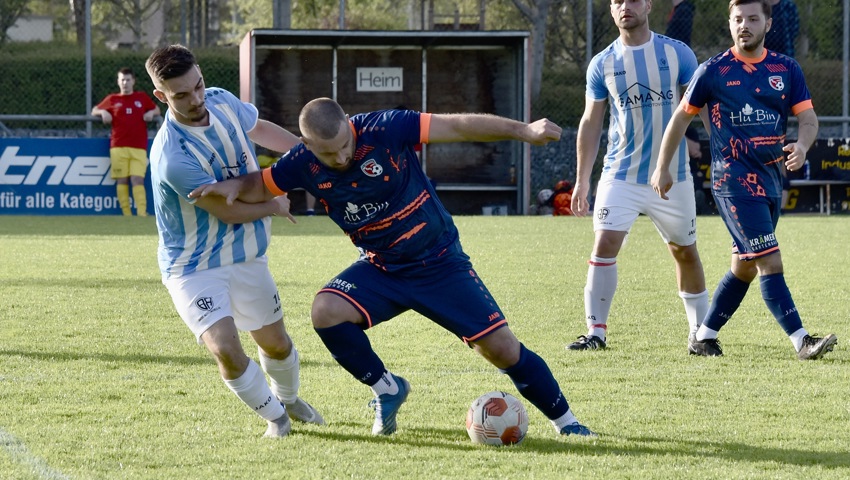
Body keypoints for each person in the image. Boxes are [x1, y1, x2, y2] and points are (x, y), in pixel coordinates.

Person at [190, 98, 596, 439]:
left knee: (502, 349)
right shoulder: (301, 164)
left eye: (345, 146)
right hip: (382, 268)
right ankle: (387, 388)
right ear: (307, 146)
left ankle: (569, 424)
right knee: (325, 311)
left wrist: (522, 130)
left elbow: (458, 126)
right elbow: (261, 183)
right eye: (328, 153)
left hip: (440, 264)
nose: (341, 157)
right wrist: (233, 187)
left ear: (351, 126)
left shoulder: (386, 128)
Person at [144, 44, 324, 437]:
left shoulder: (223, 101)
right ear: (161, 96)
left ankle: (290, 400)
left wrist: (305, 153)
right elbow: (228, 210)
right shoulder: (172, 156)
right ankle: (275, 418)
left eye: (198, 86)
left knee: (276, 344)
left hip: (246, 254)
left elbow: (259, 130)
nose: (195, 99)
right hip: (193, 267)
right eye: (181, 95)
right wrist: (274, 206)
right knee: (225, 348)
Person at [651, 0, 837, 359]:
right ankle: (802, 341)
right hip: (733, 183)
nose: (744, 25)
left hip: (770, 180)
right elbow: (679, 120)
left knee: (745, 266)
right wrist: (662, 167)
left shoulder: (786, 68)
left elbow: (809, 119)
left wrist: (801, 143)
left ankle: (703, 337)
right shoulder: (714, 71)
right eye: (738, 19)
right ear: (730, 24)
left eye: (753, 19)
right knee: (770, 260)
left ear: (767, 23)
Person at [567, 0, 709, 352]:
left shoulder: (678, 54)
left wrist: (724, 154)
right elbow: (590, 122)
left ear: (648, 5)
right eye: (617, 2)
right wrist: (582, 180)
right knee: (604, 243)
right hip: (621, 174)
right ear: (612, 11)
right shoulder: (602, 63)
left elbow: (703, 106)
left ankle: (700, 334)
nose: (624, 6)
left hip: (672, 176)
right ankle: (595, 333)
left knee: (685, 252)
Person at [92, 67, 161, 216]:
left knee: (137, 179)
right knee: (122, 180)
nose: (125, 83)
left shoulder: (141, 98)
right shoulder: (112, 99)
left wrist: (150, 112)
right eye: (122, 80)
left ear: (133, 81)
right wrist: (103, 111)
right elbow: (94, 111)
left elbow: (157, 110)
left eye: (128, 80)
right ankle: (127, 214)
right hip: (118, 146)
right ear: (118, 82)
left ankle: (142, 213)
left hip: (139, 147)